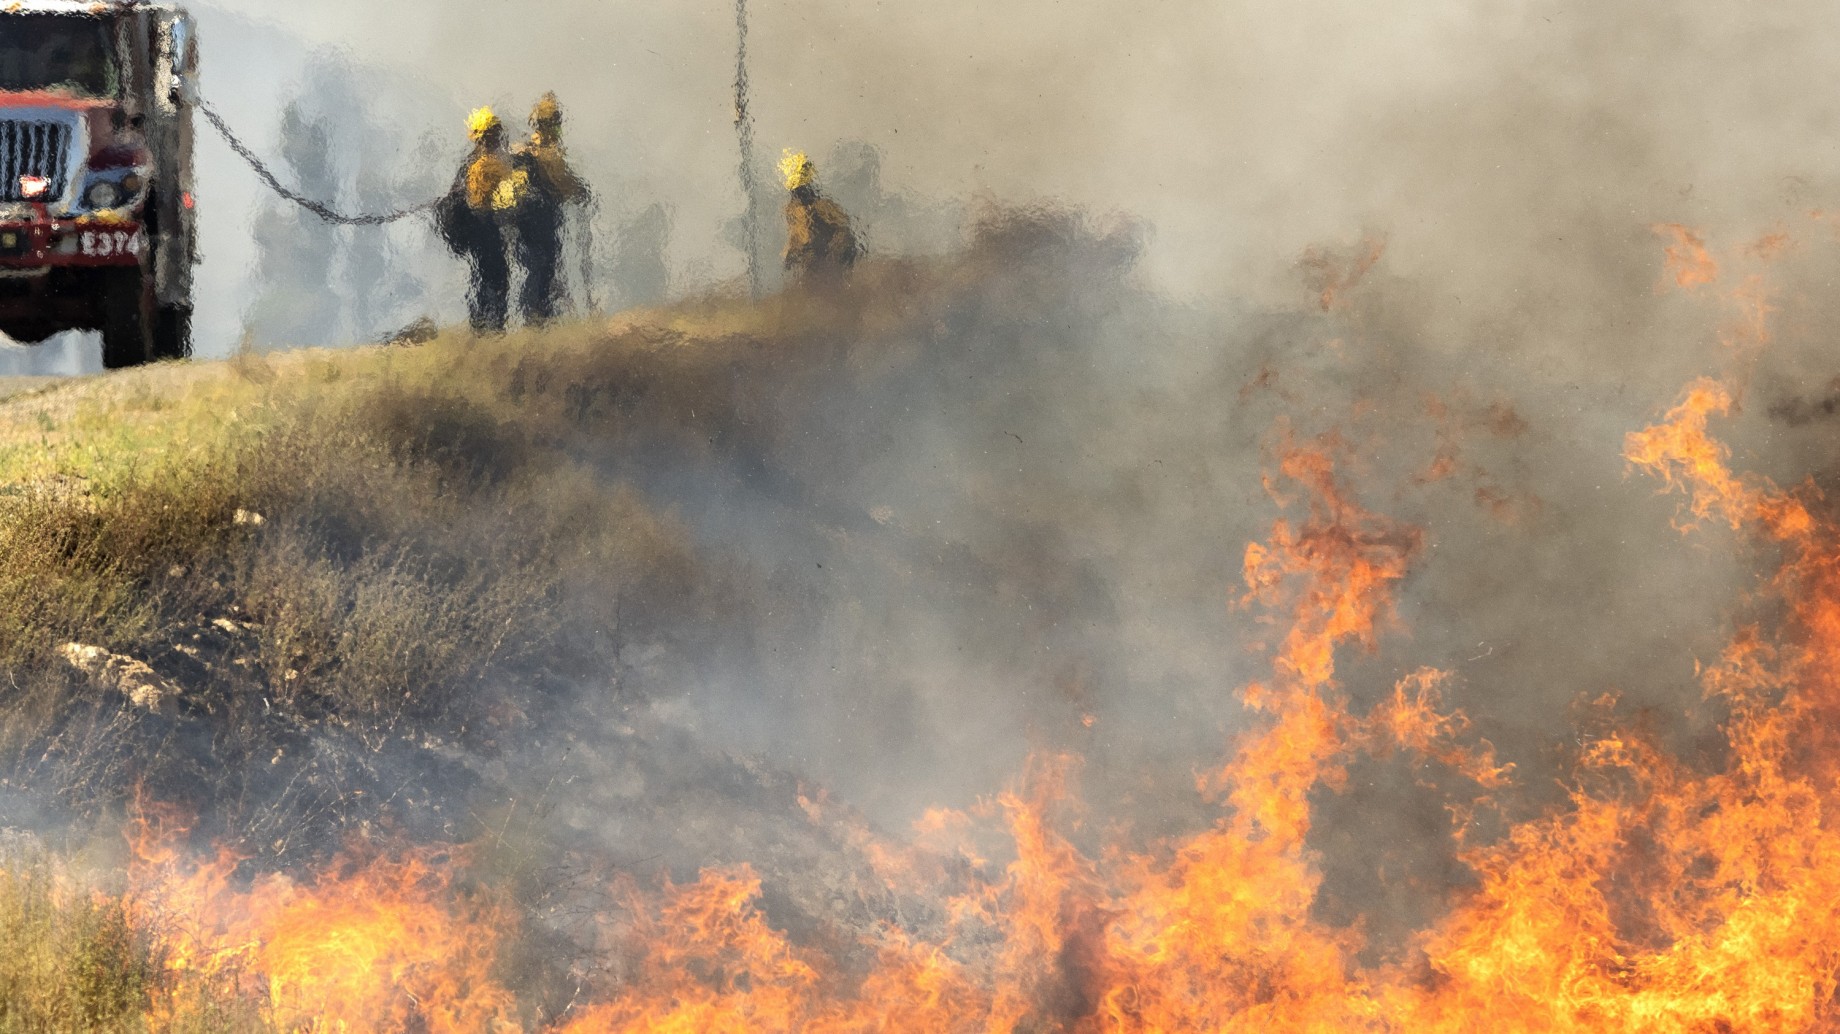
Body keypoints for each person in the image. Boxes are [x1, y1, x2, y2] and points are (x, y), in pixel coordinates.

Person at [510, 92, 590, 325]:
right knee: (542, 269)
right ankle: (537, 320)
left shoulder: (522, 150)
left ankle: (535, 318)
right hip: (542, 220)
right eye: (554, 122)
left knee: (537, 269)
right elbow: (563, 182)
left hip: (526, 222)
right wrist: (583, 193)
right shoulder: (544, 152)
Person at [438, 107, 520, 333]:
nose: (496, 138)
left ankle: (482, 328)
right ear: (486, 136)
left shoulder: (470, 163)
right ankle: (491, 330)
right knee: (495, 279)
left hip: (476, 232)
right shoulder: (486, 165)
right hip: (487, 229)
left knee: (483, 280)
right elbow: (498, 201)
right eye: (493, 133)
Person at [780, 150, 860, 283]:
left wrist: (835, 248)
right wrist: (788, 256)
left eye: (802, 189)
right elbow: (796, 237)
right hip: (812, 257)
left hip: (829, 255)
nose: (799, 194)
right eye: (796, 191)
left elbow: (844, 228)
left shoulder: (823, 206)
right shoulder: (792, 210)